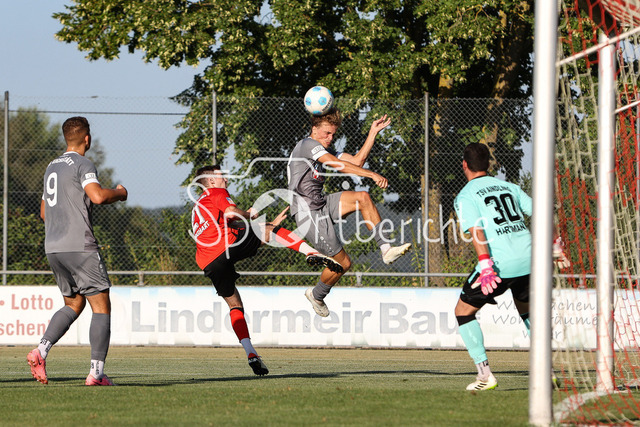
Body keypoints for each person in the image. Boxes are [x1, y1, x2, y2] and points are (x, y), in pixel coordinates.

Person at [191, 165, 343, 376]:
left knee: (235, 305)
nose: (225, 178)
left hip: (208, 261)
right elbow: (231, 213)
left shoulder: (199, 205)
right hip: (224, 245)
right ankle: (311, 252)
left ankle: (251, 353)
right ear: (210, 181)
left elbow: (228, 226)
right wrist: (250, 215)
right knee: (270, 231)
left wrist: (269, 226)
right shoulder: (216, 192)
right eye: (220, 176)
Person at [453, 142, 570, 391]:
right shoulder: (509, 187)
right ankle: (546, 372)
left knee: (463, 312)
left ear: (464, 165)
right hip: (530, 259)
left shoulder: (466, 195)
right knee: (528, 313)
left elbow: (477, 231)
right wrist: (554, 244)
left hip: (499, 264)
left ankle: (485, 376)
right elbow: (542, 212)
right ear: (489, 164)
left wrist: (485, 265)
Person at [27, 116, 128, 386]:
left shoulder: (51, 167)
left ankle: (41, 351)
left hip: (53, 247)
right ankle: (96, 373)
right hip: (79, 245)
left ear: (65, 138)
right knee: (101, 305)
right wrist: (120, 193)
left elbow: (43, 212)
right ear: (87, 138)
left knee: (73, 303)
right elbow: (98, 196)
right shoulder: (83, 163)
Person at [287, 108, 411, 317]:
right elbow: (338, 165)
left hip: (321, 204)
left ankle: (386, 249)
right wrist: (371, 174)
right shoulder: (307, 145)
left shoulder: (322, 149)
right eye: (327, 133)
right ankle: (317, 294)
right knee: (343, 263)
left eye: (333, 134)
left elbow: (356, 161)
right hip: (307, 213)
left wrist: (372, 133)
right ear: (314, 128)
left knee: (363, 197)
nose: (330, 138)